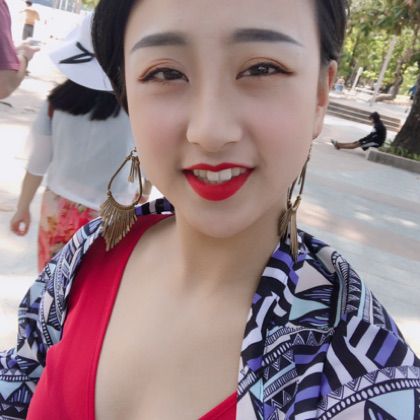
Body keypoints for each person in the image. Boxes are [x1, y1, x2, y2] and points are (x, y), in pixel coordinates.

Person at [1, 1, 419, 419]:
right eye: (165, 73)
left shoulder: (367, 375)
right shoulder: (87, 256)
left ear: (319, 96)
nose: (210, 131)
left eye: (262, 69)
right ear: (126, 94)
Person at [10, 14, 150, 272]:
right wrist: (145, 191)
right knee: (99, 289)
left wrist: (22, 208)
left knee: (53, 283)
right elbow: (148, 163)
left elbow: (37, 164)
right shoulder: (139, 108)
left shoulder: (56, 103)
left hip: (58, 208)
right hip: (115, 213)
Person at [0, 0, 39, 99]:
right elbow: (3, 86)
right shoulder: (34, 10)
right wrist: (24, 57)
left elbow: (21, 12)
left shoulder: (27, 9)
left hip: (27, 24)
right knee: (27, 40)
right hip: (31, 25)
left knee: (25, 38)